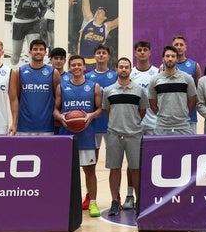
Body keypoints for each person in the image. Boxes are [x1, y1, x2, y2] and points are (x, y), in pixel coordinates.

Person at [54, 55, 102, 217]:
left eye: (79, 65)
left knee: (89, 171)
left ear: (84, 68)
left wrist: (89, 116)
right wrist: (61, 117)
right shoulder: (62, 87)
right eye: (73, 65)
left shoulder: (93, 86)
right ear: (70, 68)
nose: (76, 67)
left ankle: (93, 203)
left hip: (87, 135)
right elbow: (55, 110)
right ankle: (66, 202)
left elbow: (100, 109)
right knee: (66, 171)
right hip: (66, 136)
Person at [102, 57, 148, 216]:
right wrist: (117, 124)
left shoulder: (139, 90)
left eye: (126, 67)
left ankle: (139, 201)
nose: (123, 69)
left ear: (130, 70)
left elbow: (142, 111)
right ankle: (115, 201)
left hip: (134, 135)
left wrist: (131, 124)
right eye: (121, 67)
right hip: (114, 135)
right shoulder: (108, 90)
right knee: (114, 169)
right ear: (116, 69)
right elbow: (107, 111)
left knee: (135, 169)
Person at [127, 40, 159, 209]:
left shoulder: (157, 73)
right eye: (139, 50)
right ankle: (130, 194)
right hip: (134, 124)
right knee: (132, 162)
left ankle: (153, 192)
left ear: (150, 52)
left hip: (154, 123)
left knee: (154, 160)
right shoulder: (130, 74)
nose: (142, 53)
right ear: (135, 53)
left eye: (145, 50)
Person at [85, 44, 118, 209]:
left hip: (111, 125)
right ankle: (89, 196)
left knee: (114, 162)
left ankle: (116, 195)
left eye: (104, 53)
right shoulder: (88, 76)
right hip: (94, 125)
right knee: (91, 163)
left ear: (108, 56)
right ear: (94, 56)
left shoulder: (115, 75)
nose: (101, 55)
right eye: (98, 53)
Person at [12, 39, 60, 135]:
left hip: (47, 126)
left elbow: (58, 98)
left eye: (41, 49)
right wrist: (14, 123)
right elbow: (15, 99)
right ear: (30, 52)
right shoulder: (19, 72)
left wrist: (57, 117)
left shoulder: (53, 72)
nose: (38, 51)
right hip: (24, 127)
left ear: (45, 52)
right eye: (35, 49)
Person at [76, 0, 119, 70]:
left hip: (96, 65)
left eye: (101, 11)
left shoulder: (106, 27)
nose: (98, 11)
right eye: (97, 10)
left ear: (105, 17)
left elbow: (125, 17)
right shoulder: (88, 19)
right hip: (81, 63)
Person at [148, 46, 197, 135]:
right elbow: (152, 104)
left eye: (173, 56)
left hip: (183, 126)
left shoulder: (187, 78)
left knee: (186, 149)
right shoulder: (154, 80)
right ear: (163, 58)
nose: (170, 59)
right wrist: (162, 116)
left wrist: (184, 114)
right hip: (162, 127)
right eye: (167, 56)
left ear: (177, 59)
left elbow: (192, 101)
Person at [10, 0, 50, 66]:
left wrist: (48, 1)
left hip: (33, 23)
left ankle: (32, 75)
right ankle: (11, 73)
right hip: (19, 23)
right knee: (15, 57)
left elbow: (45, 2)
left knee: (33, 53)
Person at [172, 35, 202, 134]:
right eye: (176, 45)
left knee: (190, 148)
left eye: (181, 44)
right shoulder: (164, 67)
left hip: (190, 117)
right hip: (170, 119)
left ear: (186, 47)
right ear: (172, 47)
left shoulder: (195, 66)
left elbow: (199, 92)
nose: (179, 47)